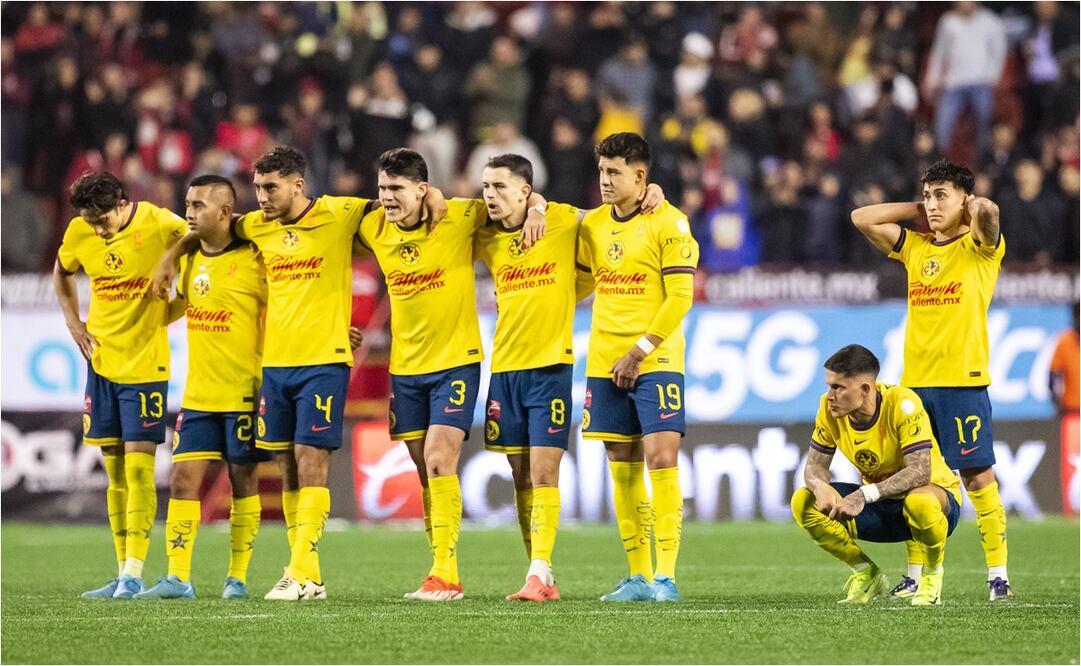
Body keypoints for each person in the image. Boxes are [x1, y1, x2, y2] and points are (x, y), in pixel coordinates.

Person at [153, 147, 441, 601]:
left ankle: (300, 569)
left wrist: (437, 196)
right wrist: (171, 257)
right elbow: (207, 229)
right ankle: (308, 575)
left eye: (271, 187)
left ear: (298, 185)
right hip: (276, 366)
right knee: (287, 465)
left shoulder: (340, 214)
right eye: (258, 187)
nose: (262, 197)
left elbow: (394, 205)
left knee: (311, 458)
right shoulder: (256, 226)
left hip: (323, 362)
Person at [354, 148, 543, 601]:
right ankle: (445, 567)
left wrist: (537, 207)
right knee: (426, 473)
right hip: (406, 369)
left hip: (456, 361)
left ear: (421, 189)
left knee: (440, 457)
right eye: (382, 189)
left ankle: (445, 575)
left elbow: (517, 198)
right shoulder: (372, 225)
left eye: (397, 189)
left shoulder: (460, 216)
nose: (387, 199)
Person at [851, 160, 1012, 601]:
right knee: (913, 480)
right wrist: (919, 210)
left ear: (964, 199)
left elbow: (991, 217)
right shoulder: (915, 248)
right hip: (915, 386)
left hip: (963, 381)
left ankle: (997, 575)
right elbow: (861, 217)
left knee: (978, 477)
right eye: (928, 194)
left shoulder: (980, 250)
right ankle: (915, 575)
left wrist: (974, 207)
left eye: (941, 194)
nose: (932, 203)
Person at [133, 175, 271, 599]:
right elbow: (186, 303)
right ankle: (178, 577)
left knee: (243, 483)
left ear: (226, 212)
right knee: (181, 481)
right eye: (187, 204)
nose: (189, 213)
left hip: (245, 391)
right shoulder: (189, 259)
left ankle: (238, 578)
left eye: (198, 206)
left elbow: (293, 303)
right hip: (198, 394)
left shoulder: (255, 258)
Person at [576, 132, 699, 602]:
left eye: (615, 172)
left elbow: (681, 297)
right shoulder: (592, 227)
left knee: (661, 458)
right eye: (602, 171)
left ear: (641, 176)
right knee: (620, 465)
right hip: (605, 359)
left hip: (657, 358)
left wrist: (640, 350)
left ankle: (666, 577)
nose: (604, 180)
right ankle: (638, 577)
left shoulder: (671, 223)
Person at [54, 172, 189, 599]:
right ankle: (121, 572)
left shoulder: (158, 222)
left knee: (138, 470)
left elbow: (202, 236)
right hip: (101, 362)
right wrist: (74, 323)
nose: (96, 229)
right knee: (113, 473)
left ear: (122, 203)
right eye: (89, 221)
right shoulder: (79, 231)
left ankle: (135, 572)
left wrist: (173, 272)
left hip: (146, 365)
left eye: (102, 221)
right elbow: (62, 274)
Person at [791, 345, 962, 606]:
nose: (830, 396)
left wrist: (864, 494)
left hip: (936, 503)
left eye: (838, 387)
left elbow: (919, 471)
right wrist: (818, 485)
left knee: (919, 501)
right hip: (881, 506)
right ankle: (866, 573)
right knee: (803, 502)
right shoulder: (827, 410)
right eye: (829, 386)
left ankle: (932, 576)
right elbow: (815, 466)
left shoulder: (903, 404)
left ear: (865, 389)